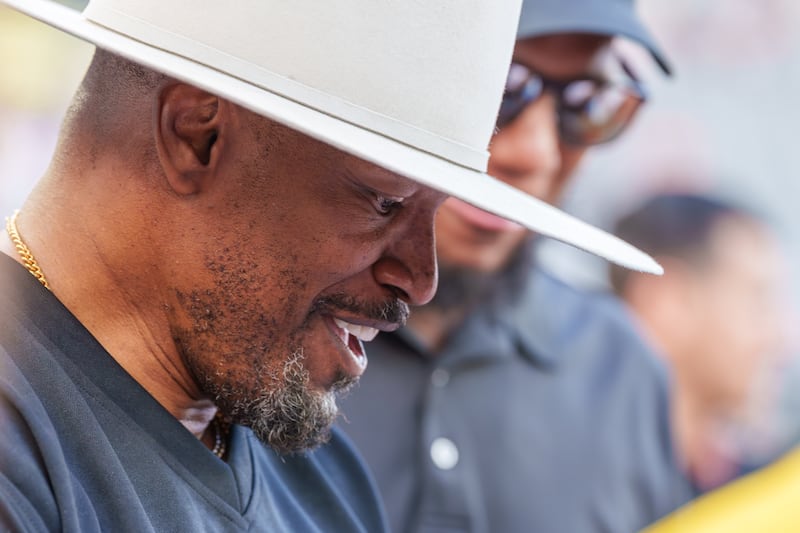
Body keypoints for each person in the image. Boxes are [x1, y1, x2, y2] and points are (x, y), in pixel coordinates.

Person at [0, 0, 661, 531]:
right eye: (384, 202)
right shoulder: (23, 440)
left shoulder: (319, 474)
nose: (418, 277)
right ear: (196, 136)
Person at [338, 1, 692, 532]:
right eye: (500, 89)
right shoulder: (260, 336)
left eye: (588, 103)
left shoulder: (621, 371)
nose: (537, 153)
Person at [610, 193, 789, 493]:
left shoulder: (748, 491)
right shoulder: (589, 486)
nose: (779, 338)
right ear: (667, 303)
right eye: (757, 300)